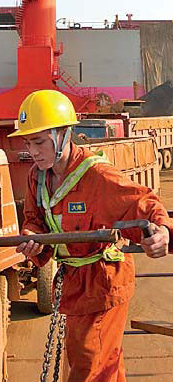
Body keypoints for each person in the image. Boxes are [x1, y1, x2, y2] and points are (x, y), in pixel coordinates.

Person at [9, 89, 173, 381]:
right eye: (28, 142)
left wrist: (161, 231)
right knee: (105, 362)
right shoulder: (38, 177)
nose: (33, 151)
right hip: (75, 285)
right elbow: (34, 220)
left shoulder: (97, 177)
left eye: (39, 142)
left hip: (103, 283)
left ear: (63, 135)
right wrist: (32, 239)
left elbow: (144, 204)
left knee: (88, 363)